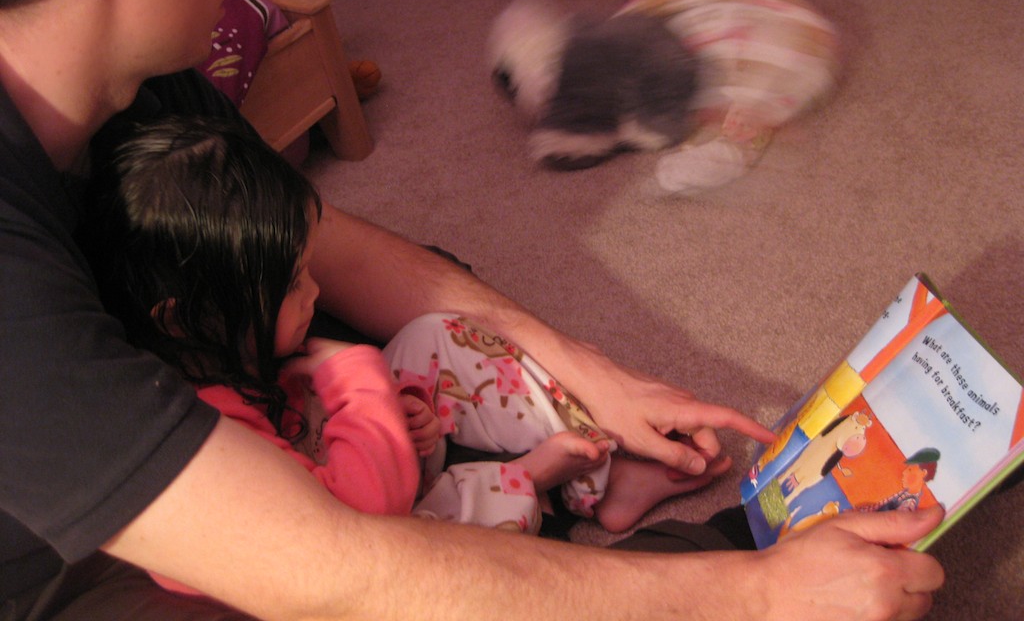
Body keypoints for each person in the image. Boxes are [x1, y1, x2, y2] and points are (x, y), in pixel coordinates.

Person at [0, 0, 945, 620]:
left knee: (432, 304)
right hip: (75, 566)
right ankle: (683, 559)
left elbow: (326, 242)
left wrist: (599, 380)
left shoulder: (149, 80)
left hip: (209, 366)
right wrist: (753, 598)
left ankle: (582, 508)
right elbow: (321, 566)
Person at [82, 115, 737, 551]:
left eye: (307, 271)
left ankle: (601, 475)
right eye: (290, 287)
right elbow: (361, 517)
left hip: (370, 457)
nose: (315, 294)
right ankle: (536, 477)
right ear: (185, 318)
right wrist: (356, 375)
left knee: (437, 335)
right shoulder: (207, 433)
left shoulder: (239, 343)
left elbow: (327, 423)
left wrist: (407, 417)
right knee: (462, 529)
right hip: (364, 525)